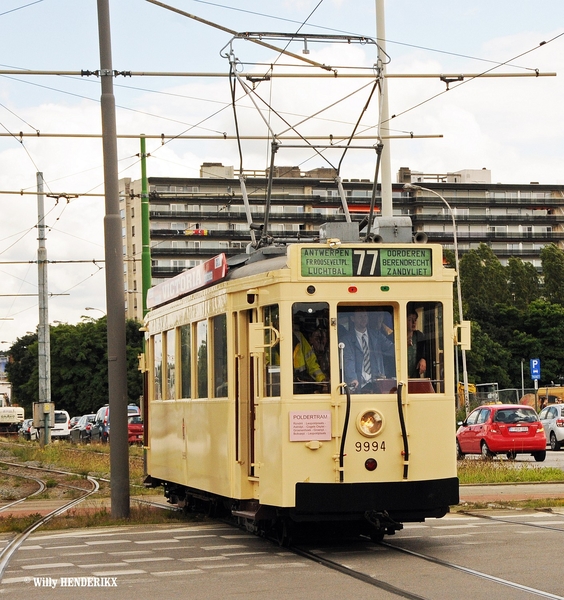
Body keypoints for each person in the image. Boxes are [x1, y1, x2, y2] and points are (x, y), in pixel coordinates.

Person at [341, 308, 395, 393]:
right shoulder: (347, 339)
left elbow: (392, 349)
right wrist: (352, 379)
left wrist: (403, 345)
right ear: (352, 318)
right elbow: (348, 360)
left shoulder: (377, 335)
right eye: (360, 316)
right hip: (358, 385)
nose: (364, 318)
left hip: (377, 385)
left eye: (365, 315)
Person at [293, 328, 327, 393]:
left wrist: (322, 380)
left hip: (299, 384)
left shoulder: (298, 336)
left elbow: (311, 363)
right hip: (276, 384)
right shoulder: (269, 339)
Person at [407, 308, 427, 378]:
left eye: (415, 320)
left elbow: (425, 352)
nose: (413, 322)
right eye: (410, 319)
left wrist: (423, 359)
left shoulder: (419, 336)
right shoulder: (395, 336)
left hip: (414, 377)